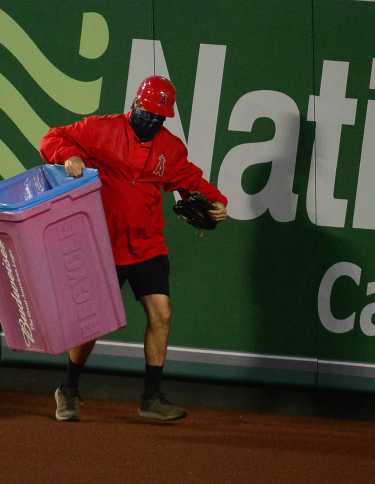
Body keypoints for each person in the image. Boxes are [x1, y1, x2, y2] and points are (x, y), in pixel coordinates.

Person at [39, 75, 228, 421]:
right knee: (92, 324)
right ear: (135, 105)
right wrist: (69, 156)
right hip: (105, 244)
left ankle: (151, 397)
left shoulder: (169, 149)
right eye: (148, 111)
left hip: (147, 244)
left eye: (160, 116)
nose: (152, 120)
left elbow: (189, 179)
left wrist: (216, 200)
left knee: (162, 313)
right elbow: (53, 137)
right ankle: (68, 389)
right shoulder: (102, 130)